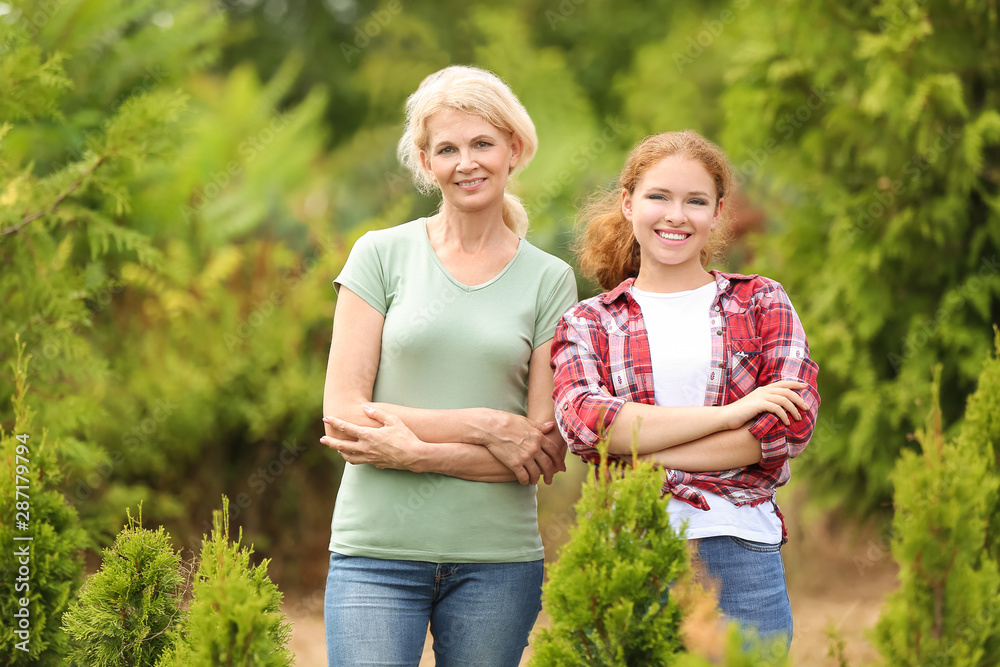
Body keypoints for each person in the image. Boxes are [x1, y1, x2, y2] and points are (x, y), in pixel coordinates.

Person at [319, 65, 578, 667]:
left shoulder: (550, 279)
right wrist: (487, 426)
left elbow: (541, 450)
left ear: (514, 149)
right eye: (447, 149)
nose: (467, 163)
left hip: (497, 563)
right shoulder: (379, 255)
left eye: (483, 143)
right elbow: (344, 416)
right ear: (425, 161)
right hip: (375, 555)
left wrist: (415, 453)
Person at [550, 130, 820, 648]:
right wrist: (730, 415)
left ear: (717, 213)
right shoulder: (589, 321)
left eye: (695, 201)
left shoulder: (761, 301)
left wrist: (642, 457)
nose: (676, 216)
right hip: (630, 549)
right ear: (628, 204)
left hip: (740, 553)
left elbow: (787, 427)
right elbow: (588, 426)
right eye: (659, 196)